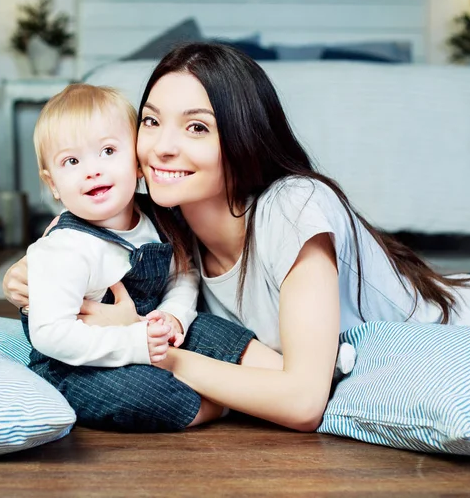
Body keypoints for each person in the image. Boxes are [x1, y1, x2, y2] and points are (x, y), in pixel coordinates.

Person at [5, 42, 470, 434]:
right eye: (151, 122)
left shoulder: (292, 207)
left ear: (244, 136)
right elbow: (70, 240)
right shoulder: (166, 221)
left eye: (198, 128)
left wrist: (150, 347)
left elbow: (302, 403)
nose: (162, 147)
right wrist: (23, 276)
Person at [19, 82, 282, 433]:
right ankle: (235, 404)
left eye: (109, 151)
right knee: (142, 394)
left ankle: (297, 373)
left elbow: (182, 274)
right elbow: (51, 335)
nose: (92, 170)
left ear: (138, 163)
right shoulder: (66, 248)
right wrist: (133, 343)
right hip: (79, 361)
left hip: (152, 331)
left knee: (216, 331)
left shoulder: (158, 217)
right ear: (52, 184)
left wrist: (174, 315)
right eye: (72, 161)